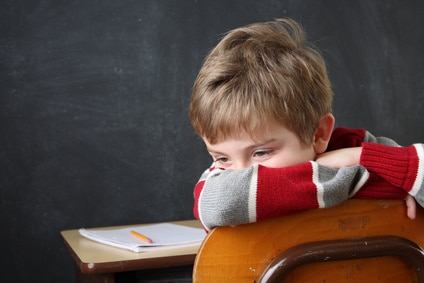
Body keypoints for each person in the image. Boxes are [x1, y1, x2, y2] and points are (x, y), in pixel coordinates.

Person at [188, 18, 424, 231]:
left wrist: (359, 155)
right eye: (222, 158)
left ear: (319, 134)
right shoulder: (216, 183)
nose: (240, 172)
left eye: (260, 153)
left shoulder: (354, 146)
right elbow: (223, 202)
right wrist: (381, 182)